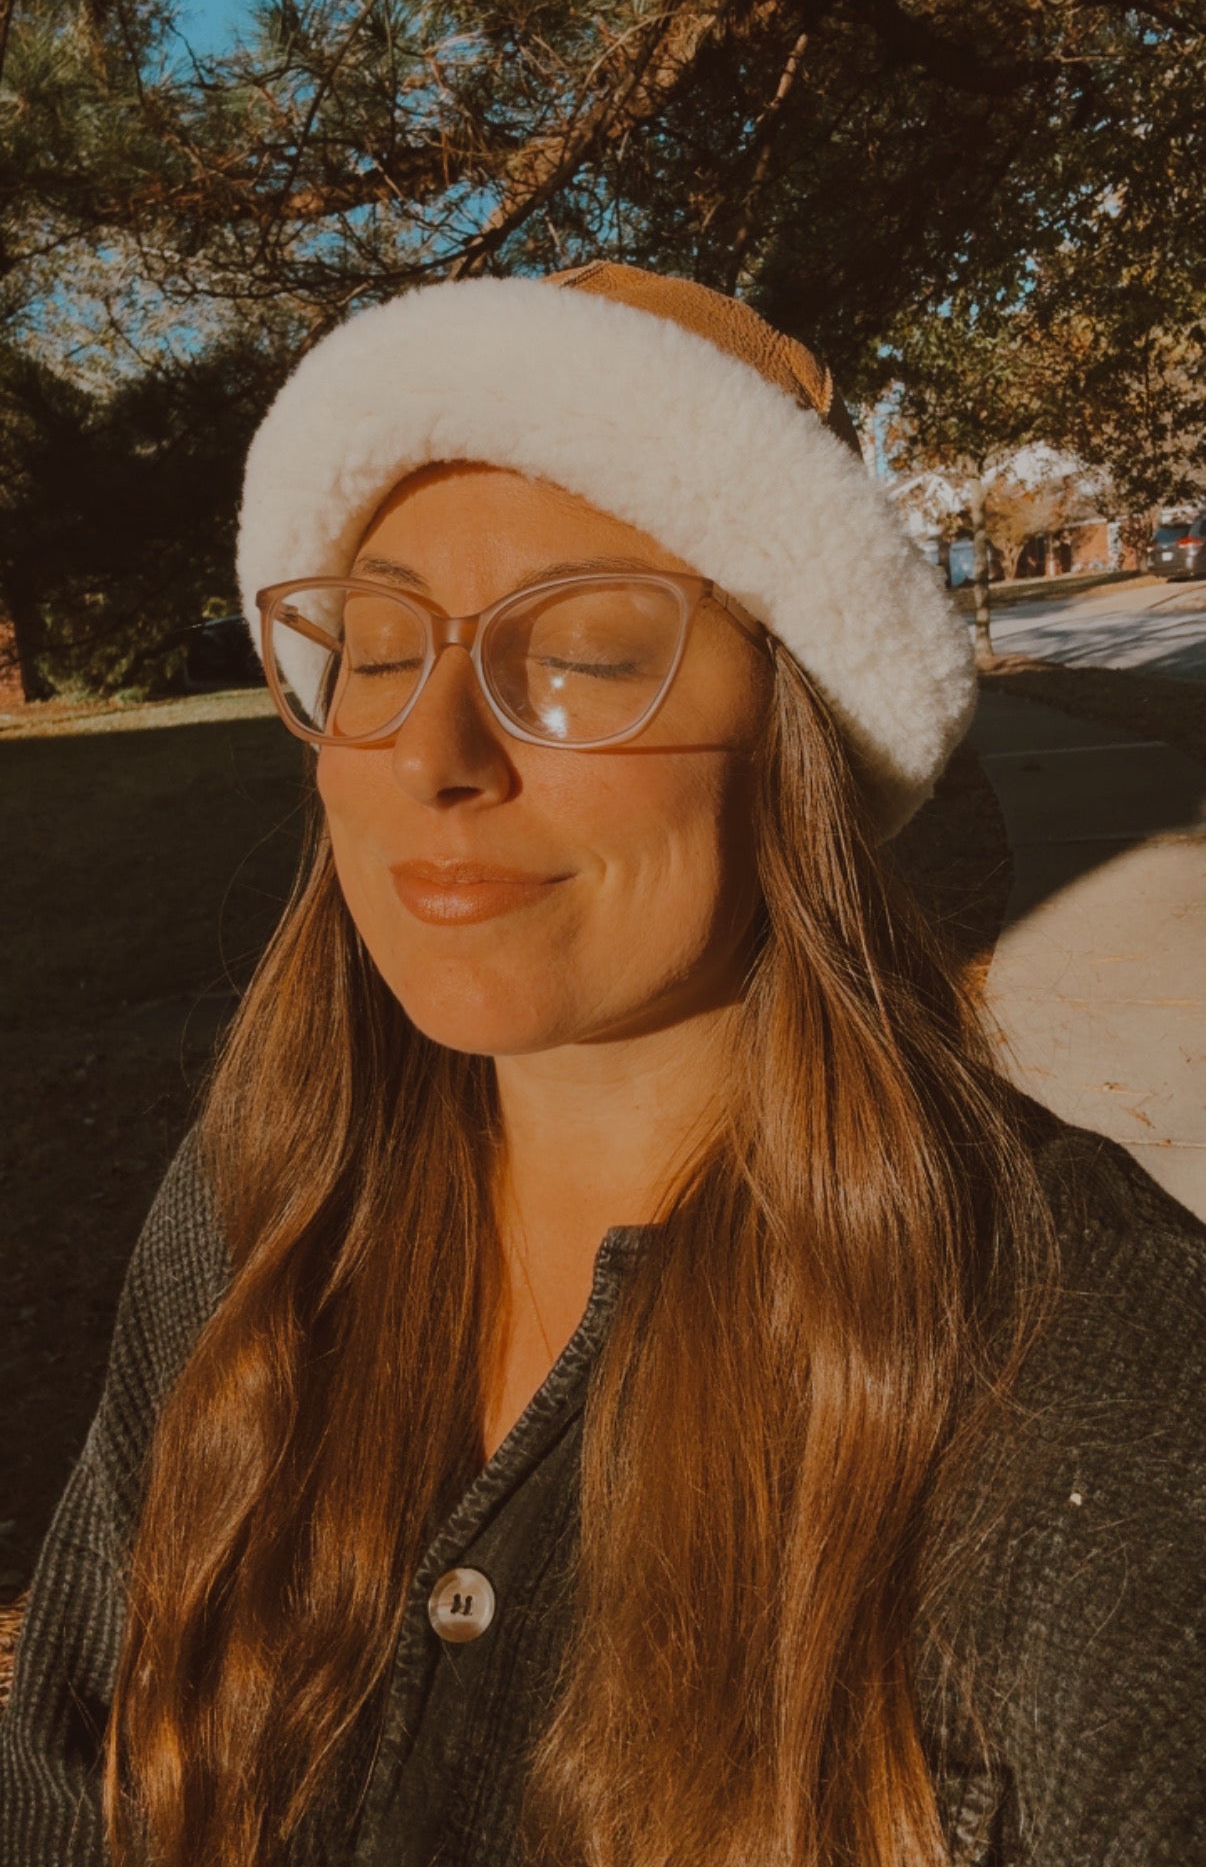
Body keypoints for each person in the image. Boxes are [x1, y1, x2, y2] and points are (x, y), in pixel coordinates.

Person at [1, 263, 1203, 1867]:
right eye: (375, 648)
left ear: (797, 731)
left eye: (580, 651)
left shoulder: (1093, 1375)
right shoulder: (258, 1210)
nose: (435, 756)